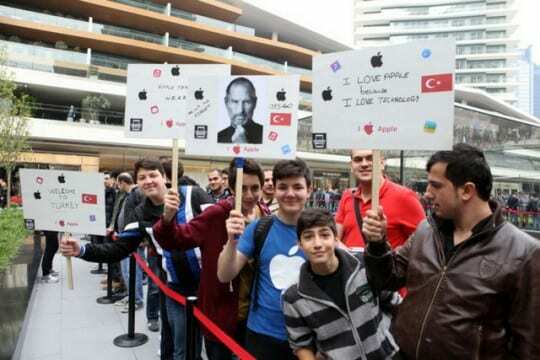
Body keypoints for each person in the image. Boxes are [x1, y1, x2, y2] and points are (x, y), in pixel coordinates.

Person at [362, 144, 540, 359]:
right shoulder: (426, 231)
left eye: (435, 185)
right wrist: (377, 243)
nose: (426, 194)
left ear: (466, 191)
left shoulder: (524, 252)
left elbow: (528, 344)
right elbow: (386, 279)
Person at [60, 159, 211, 360]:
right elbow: (118, 248)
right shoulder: (140, 214)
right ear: (137, 183)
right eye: (142, 177)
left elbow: (221, 223)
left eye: (153, 175)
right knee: (179, 347)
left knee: (213, 346)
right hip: (176, 289)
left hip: (210, 285)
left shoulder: (193, 195)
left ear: (164, 177)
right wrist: (82, 250)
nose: (148, 181)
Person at [153, 158, 269, 360]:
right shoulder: (217, 214)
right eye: (243, 188)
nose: (249, 195)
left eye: (255, 188)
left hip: (256, 315)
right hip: (222, 311)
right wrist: (168, 217)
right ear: (232, 188)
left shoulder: (265, 216)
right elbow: (176, 239)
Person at [217, 159, 312, 360]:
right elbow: (225, 275)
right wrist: (231, 241)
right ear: (274, 190)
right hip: (262, 333)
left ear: (309, 190)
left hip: (310, 333)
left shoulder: (321, 231)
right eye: (283, 187)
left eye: (297, 187)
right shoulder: (259, 229)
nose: (290, 193)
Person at [282, 208, 398, 360]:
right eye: (308, 237)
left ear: (336, 239)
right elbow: (301, 344)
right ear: (300, 244)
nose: (317, 244)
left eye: (324, 235)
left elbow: (394, 303)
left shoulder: (364, 265)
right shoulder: (293, 295)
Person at [335, 150, 425, 250]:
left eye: (370, 158)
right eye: (358, 159)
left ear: (382, 163)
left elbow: (424, 243)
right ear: (351, 166)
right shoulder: (347, 196)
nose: (364, 164)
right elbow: (335, 237)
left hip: (387, 264)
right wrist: (348, 255)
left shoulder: (405, 197)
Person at [217, 77, 263, 144]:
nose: (240, 110)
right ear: (226, 102)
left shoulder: (266, 135)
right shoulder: (218, 138)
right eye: (235, 102)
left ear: (254, 103)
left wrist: (244, 145)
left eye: (247, 102)